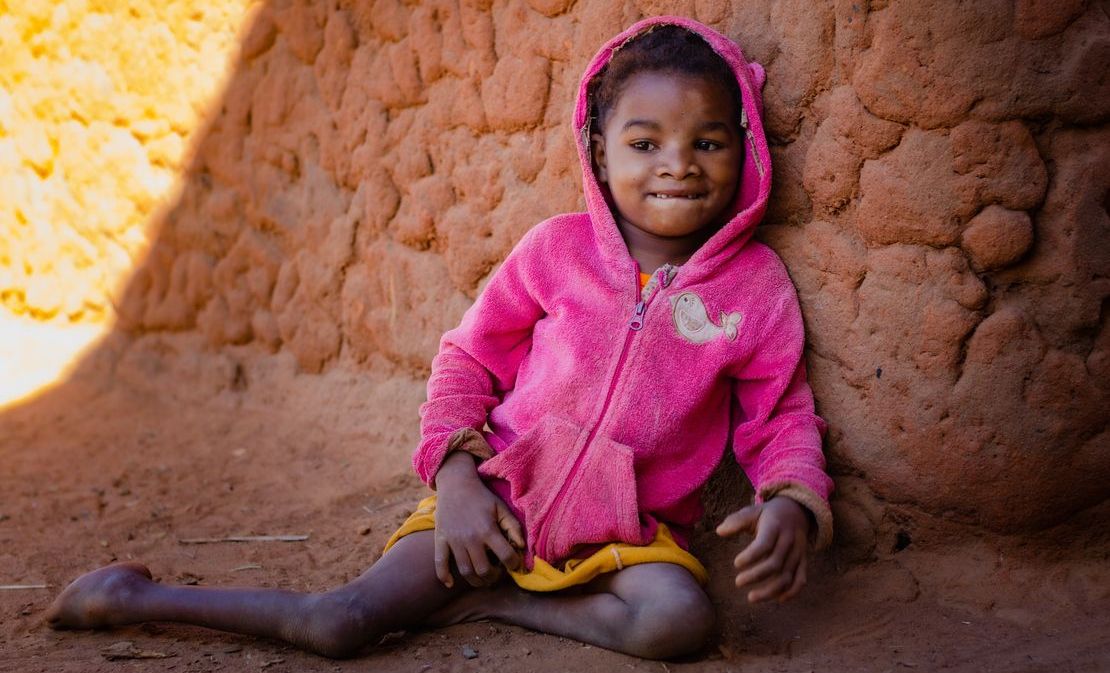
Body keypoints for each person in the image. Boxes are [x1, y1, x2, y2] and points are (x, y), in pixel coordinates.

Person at [46, 16, 833, 661]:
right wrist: (456, 482)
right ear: (598, 148)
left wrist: (792, 500)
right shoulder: (556, 251)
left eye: (708, 142)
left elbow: (783, 416)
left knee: (679, 624)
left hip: (630, 537)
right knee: (339, 623)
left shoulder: (753, 287)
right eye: (645, 142)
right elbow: (466, 361)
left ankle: (492, 604)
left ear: (746, 148)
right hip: (492, 507)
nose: (678, 166)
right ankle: (133, 596)